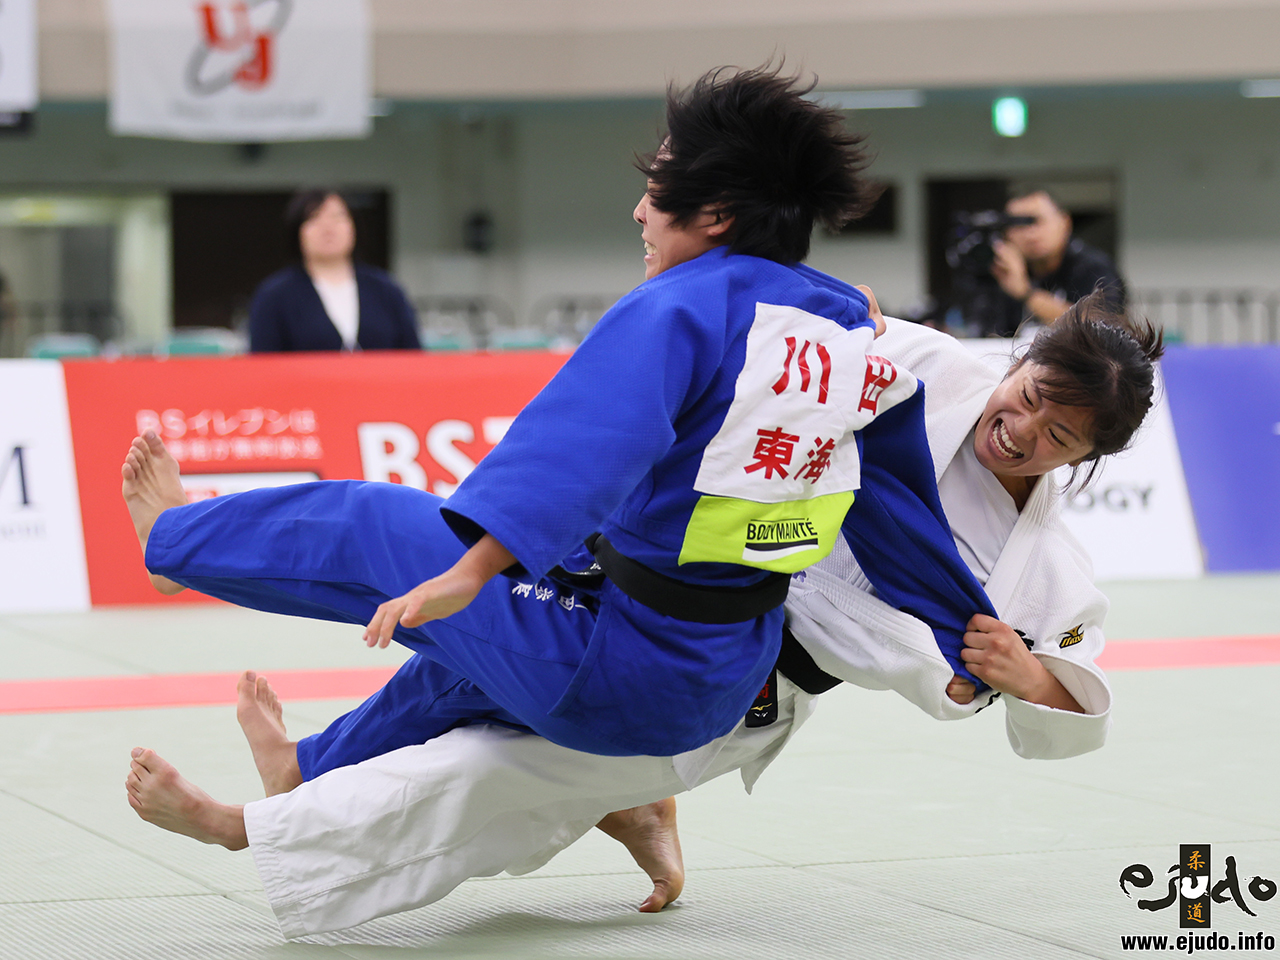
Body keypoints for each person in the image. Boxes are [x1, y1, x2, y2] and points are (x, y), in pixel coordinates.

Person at [125, 295, 1165, 939]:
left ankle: (252, 828)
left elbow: (1074, 699)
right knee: (472, 653)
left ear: (1085, 461)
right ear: (1016, 361)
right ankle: (313, 768)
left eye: (1057, 434)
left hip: (747, 682)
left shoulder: (1050, 577)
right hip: (677, 581)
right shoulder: (935, 370)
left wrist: (1029, 679)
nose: (1018, 428)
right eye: (1027, 394)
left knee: (493, 771)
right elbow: (803, 338)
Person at [121, 65, 994, 768]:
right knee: (468, 652)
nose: (639, 212)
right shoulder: (847, 329)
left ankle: (174, 545)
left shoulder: (678, 309)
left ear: (718, 214)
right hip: (729, 682)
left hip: (621, 672)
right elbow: (899, 515)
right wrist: (974, 639)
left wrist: (474, 564)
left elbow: (583, 452)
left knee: (367, 520)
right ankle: (303, 771)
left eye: (659, 192)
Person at [248, 189, 422, 352]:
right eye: (314, 218)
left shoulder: (386, 290)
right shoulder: (274, 296)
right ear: (297, 231)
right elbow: (262, 365)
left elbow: (413, 358)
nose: (328, 228)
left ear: (353, 227)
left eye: (337, 217)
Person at [987, 188, 1126, 336]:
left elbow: (1099, 327)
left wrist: (1027, 293)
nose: (1030, 233)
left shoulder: (1093, 267)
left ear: (1065, 222)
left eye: (1037, 221)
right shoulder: (1004, 270)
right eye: (1019, 225)